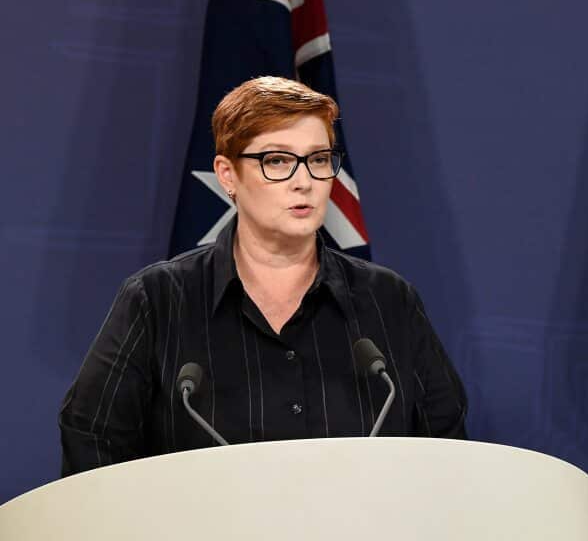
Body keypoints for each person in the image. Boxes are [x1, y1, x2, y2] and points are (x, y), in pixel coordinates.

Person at [60, 76, 466, 474]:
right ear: (227, 174)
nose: (304, 182)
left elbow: (446, 449)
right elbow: (92, 441)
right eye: (277, 161)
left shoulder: (389, 301)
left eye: (319, 159)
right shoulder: (159, 300)